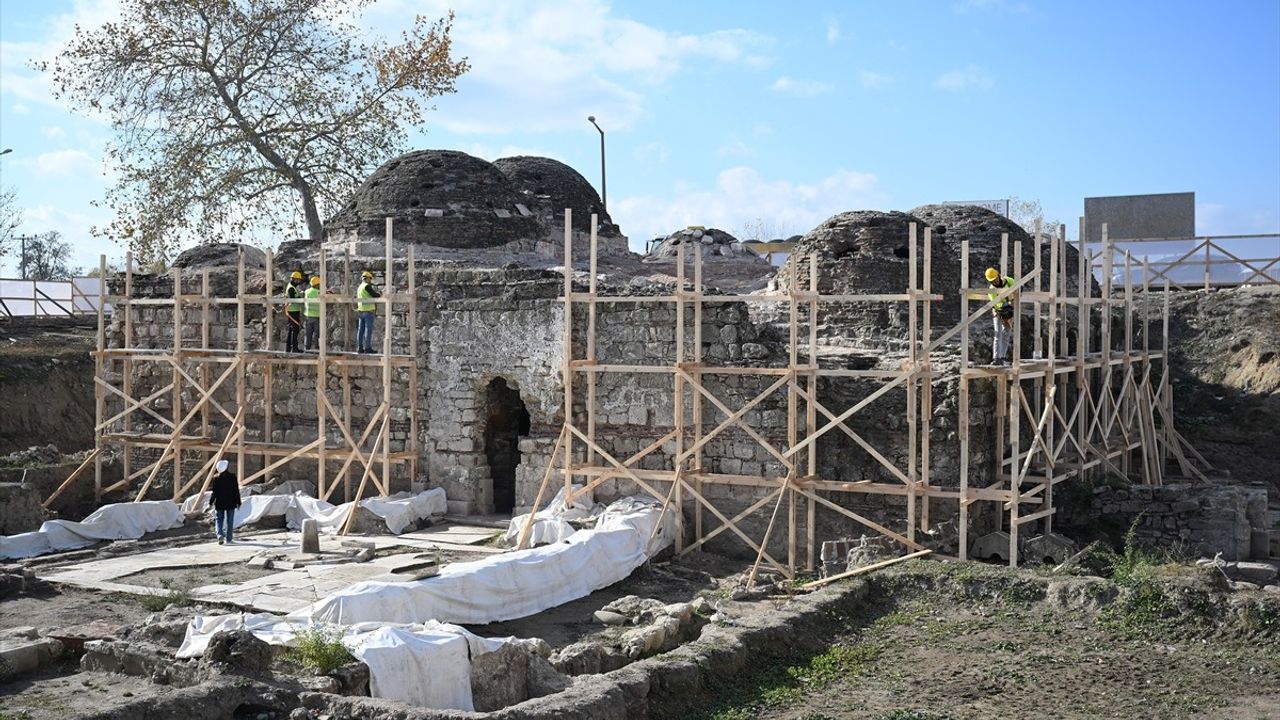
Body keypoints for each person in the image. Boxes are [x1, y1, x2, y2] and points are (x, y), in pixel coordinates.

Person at [986, 267, 1017, 365]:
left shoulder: (1009, 281)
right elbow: (997, 304)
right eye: (992, 281)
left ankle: (1002, 357)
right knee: (997, 333)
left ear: (998, 275)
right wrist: (1006, 304)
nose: (994, 282)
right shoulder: (991, 290)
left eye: (995, 279)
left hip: (1009, 310)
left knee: (1006, 333)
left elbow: (1017, 290)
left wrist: (1011, 305)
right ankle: (996, 358)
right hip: (999, 312)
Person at [210, 459, 241, 545]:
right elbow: (236, 491)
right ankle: (229, 539)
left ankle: (219, 534)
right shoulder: (233, 477)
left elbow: (214, 492)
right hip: (231, 503)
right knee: (230, 521)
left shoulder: (216, 478)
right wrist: (238, 502)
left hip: (219, 503)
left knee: (219, 520)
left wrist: (211, 502)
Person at [355, 270, 381, 354]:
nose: (371, 281)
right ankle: (367, 348)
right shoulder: (366, 286)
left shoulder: (359, 287)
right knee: (367, 330)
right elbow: (374, 295)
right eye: (370, 279)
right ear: (368, 279)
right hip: (368, 311)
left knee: (360, 330)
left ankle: (359, 348)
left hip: (360, 311)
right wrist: (379, 294)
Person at [284, 270, 305, 353]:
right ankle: (294, 348)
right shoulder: (291, 288)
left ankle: (289, 348)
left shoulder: (292, 287)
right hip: (292, 311)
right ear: (295, 279)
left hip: (292, 311)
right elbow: (293, 299)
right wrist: (301, 299)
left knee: (291, 330)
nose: (299, 282)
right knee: (295, 329)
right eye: (298, 280)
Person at [304, 275, 322, 352]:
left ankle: (307, 349)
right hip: (317, 317)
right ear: (317, 284)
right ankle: (316, 349)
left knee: (308, 334)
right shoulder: (319, 292)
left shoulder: (307, 291)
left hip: (308, 316)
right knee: (317, 335)